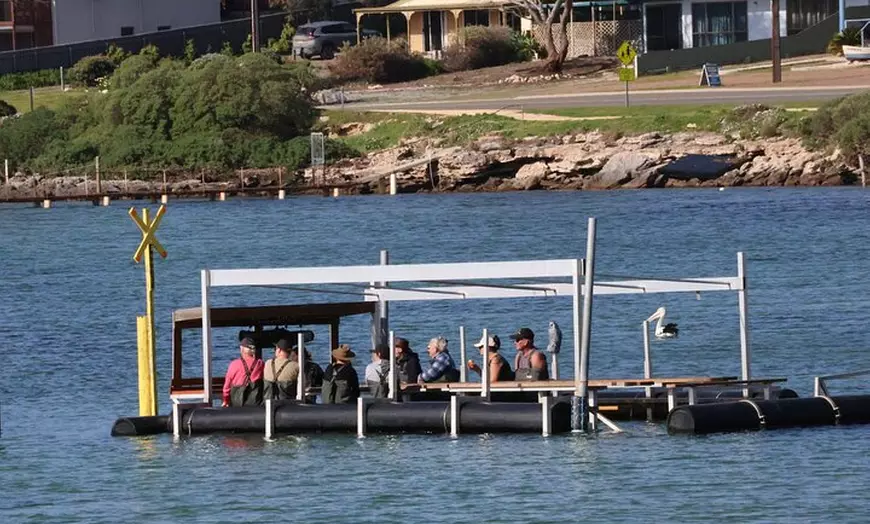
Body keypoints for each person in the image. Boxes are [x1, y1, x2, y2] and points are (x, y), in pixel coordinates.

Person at [222, 337, 265, 407]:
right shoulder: (260, 363)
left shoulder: (234, 364)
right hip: (255, 404)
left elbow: (226, 387)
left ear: (241, 349)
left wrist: (226, 400)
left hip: (237, 403)